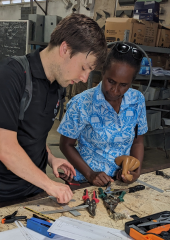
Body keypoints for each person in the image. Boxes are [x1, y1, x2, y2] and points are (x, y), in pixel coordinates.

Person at [0, 13, 107, 207]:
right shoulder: (8, 76)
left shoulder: (57, 85)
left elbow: (32, 134)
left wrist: (51, 159)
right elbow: (6, 150)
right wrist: (51, 185)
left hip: (33, 189)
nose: (85, 78)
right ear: (65, 49)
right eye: (84, 67)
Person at [58, 42, 148, 186]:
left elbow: (138, 141)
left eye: (123, 85)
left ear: (131, 82)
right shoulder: (82, 103)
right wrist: (90, 174)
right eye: (111, 81)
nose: (115, 90)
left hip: (119, 182)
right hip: (85, 181)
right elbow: (66, 145)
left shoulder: (137, 100)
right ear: (102, 72)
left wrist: (135, 169)